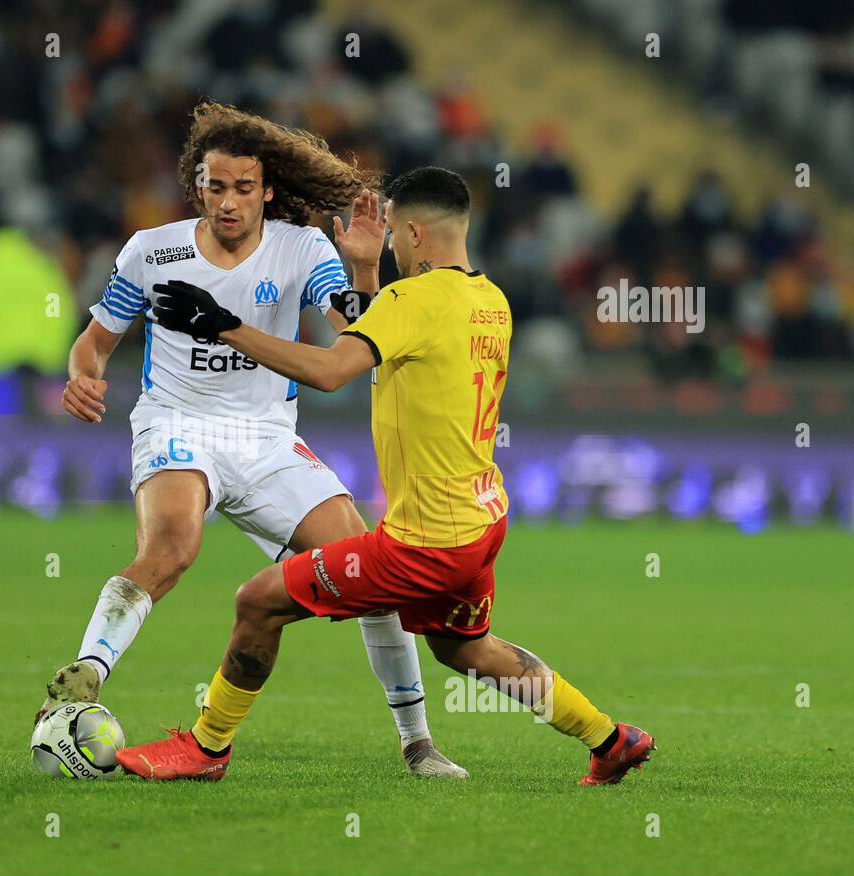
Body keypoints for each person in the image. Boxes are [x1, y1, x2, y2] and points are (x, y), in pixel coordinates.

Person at [117, 166, 655, 785]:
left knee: (258, 602)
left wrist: (222, 324)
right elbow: (391, 344)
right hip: (481, 519)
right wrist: (367, 274)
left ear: (416, 232)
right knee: (464, 647)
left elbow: (329, 370)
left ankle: (206, 749)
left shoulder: (411, 302)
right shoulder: (490, 301)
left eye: (396, 233)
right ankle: (610, 738)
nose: (394, 243)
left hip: (425, 540)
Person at [43, 103, 465, 777]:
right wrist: (82, 377)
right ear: (198, 186)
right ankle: (86, 674)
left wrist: (363, 269)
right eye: (217, 186)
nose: (230, 201)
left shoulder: (302, 248)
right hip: (177, 423)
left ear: (268, 189)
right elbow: (94, 343)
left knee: (372, 579)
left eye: (245, 187)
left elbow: (354, 334)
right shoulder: (152, 251)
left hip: (268, 437)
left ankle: (417, 743)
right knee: (172, 547)